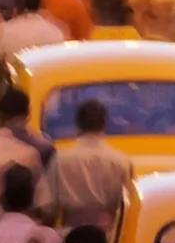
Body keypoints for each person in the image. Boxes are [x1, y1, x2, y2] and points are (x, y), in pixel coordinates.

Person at [45, 98, 132, 234]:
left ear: (78, 124)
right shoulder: (121, 161)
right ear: (105, 123)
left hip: (69, 235)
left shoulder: (60, 159)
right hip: (107, 235)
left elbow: (48, 208)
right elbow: (127, 206)